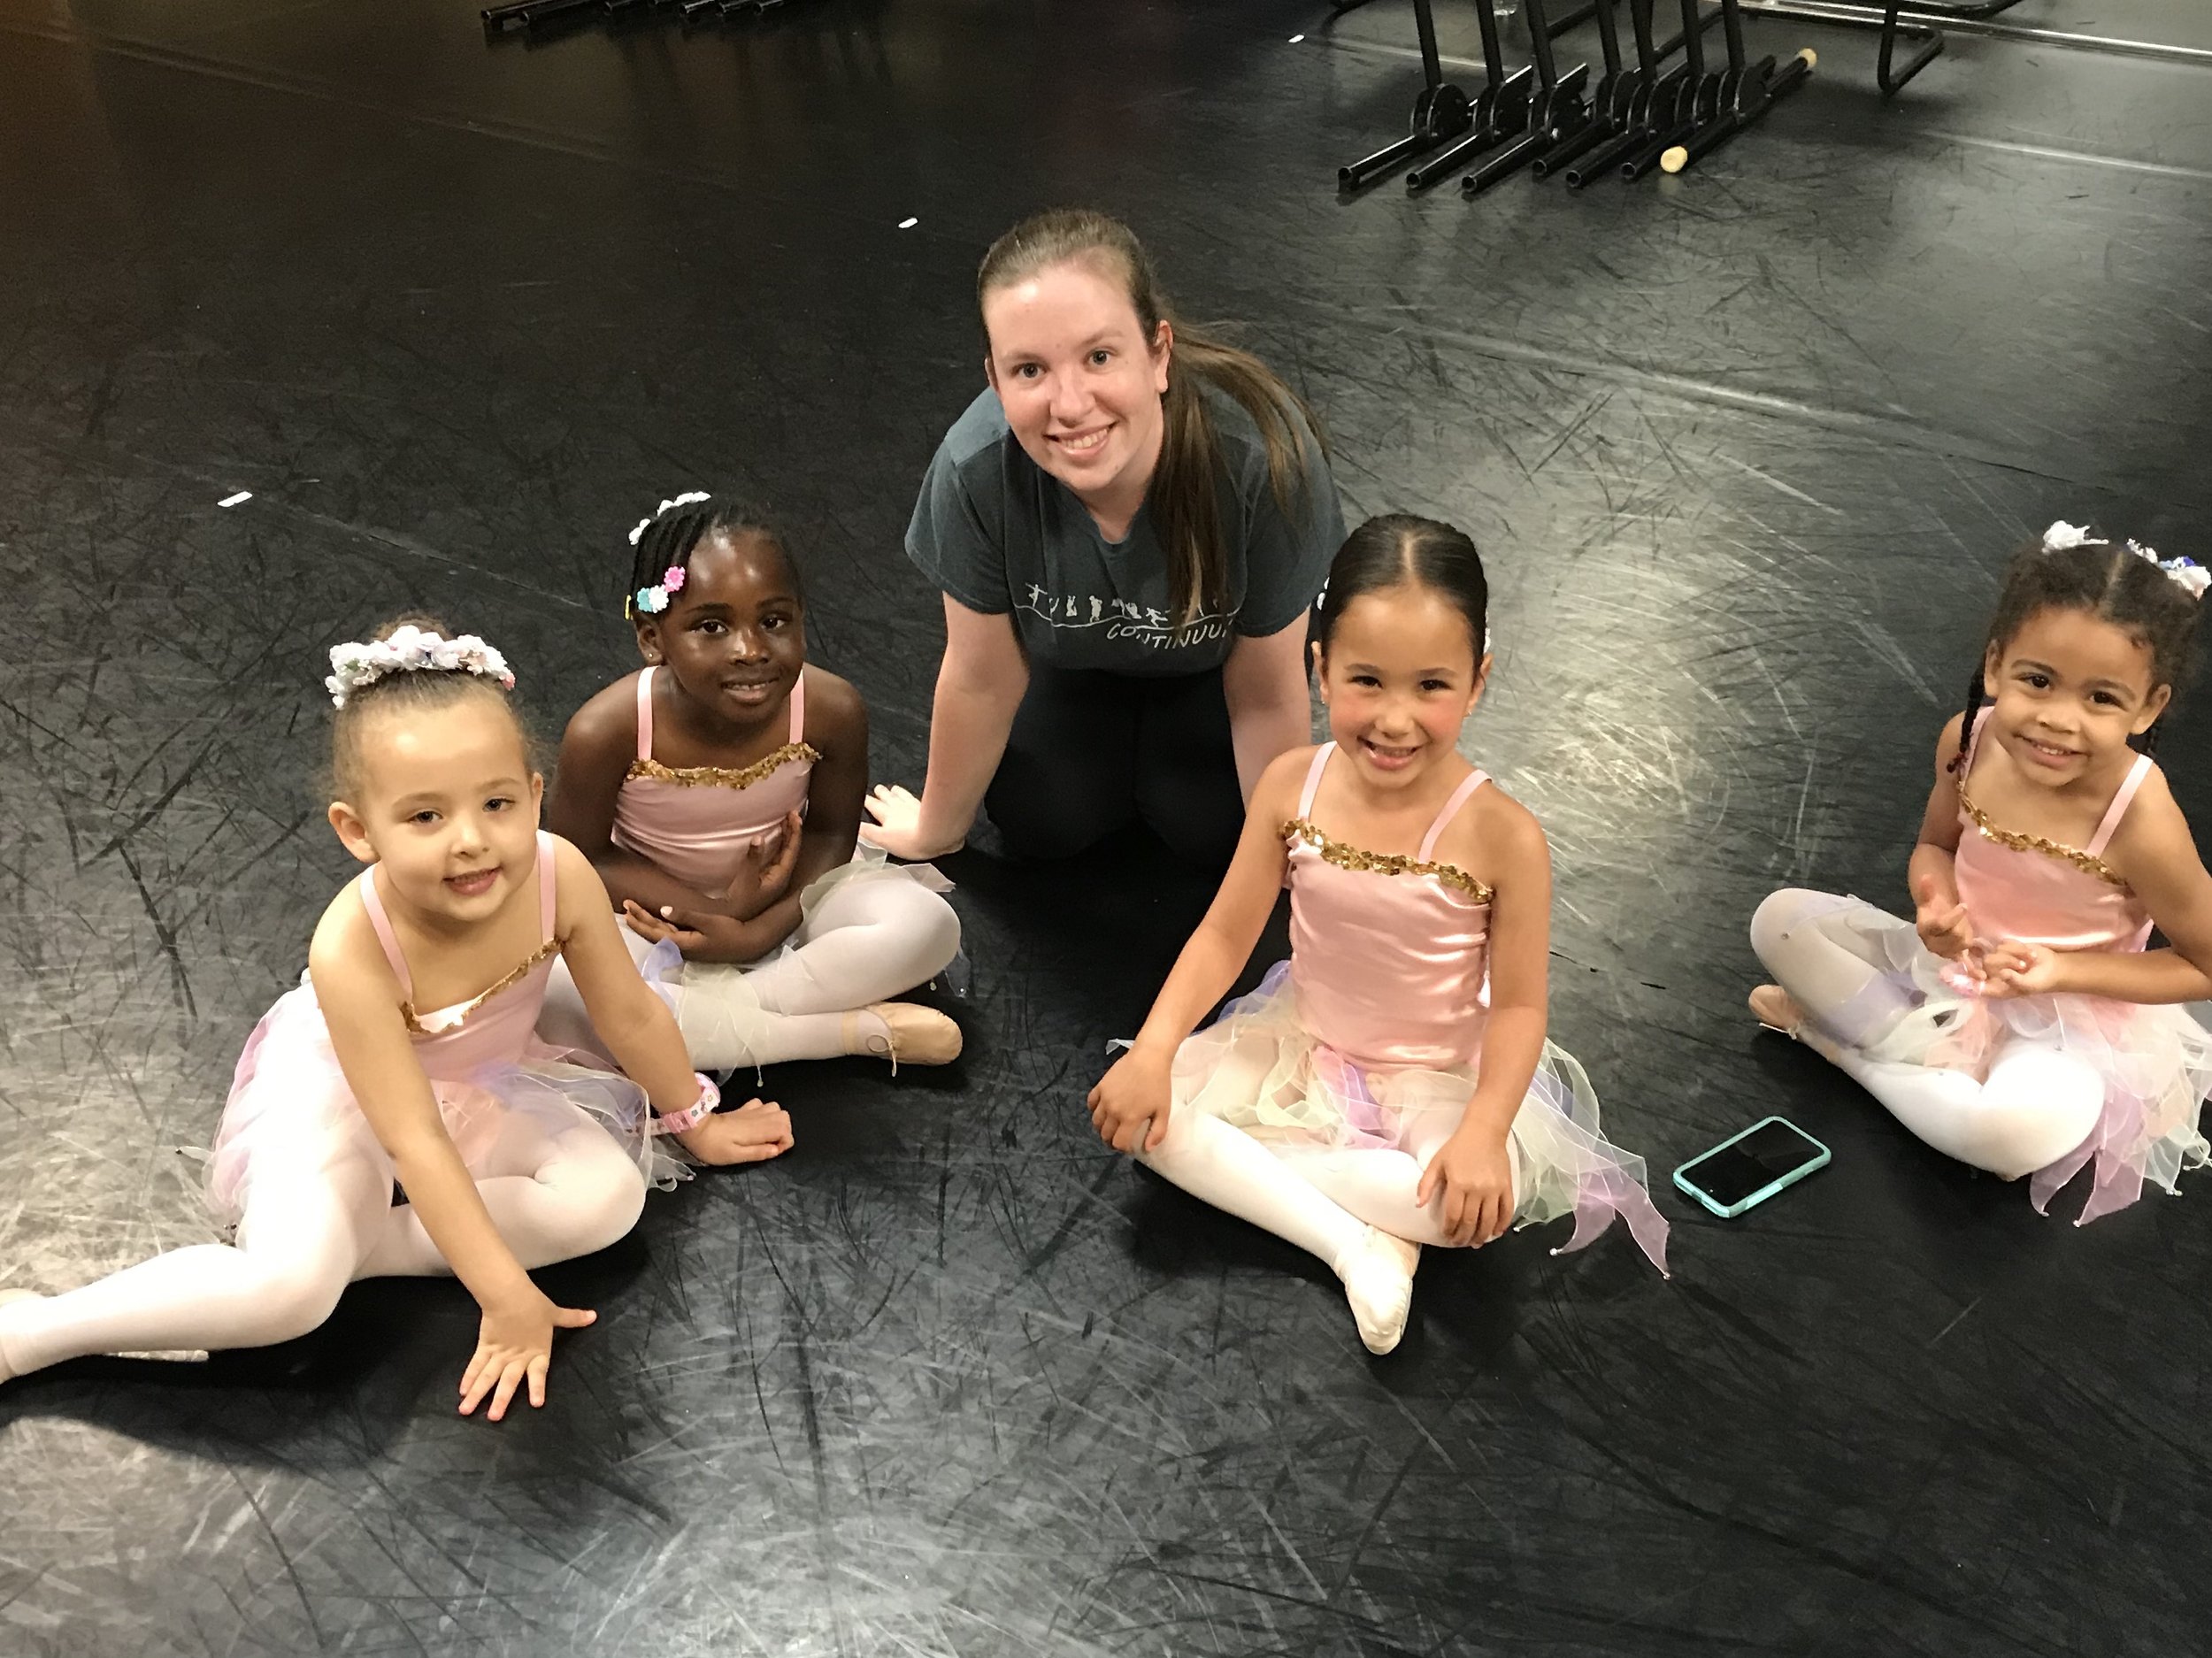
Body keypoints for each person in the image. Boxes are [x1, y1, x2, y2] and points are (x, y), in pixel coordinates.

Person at [0, 622, 791, 1416]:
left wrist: (694, 1120)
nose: (472, 842)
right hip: (352, 1105)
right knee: (288, 1302)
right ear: (357, 831)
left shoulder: (560, 872)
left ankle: (352, 1254)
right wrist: (506, 1295)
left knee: (608, 1202)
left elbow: (629, 1014)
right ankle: (36, 1329)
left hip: (485, 1083)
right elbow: (412, 1135)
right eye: (424, 818)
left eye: (497, 803)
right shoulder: (352, 947)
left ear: (535, 793)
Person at [1087, 517, 1669, 1355]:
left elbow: (1516, 1011)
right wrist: (1153, 1047)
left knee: (1469, 1207)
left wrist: (1479, 1133)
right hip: (1306, 1043)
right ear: (1320, 668)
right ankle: (1353, 1243)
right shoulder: (1295, 784)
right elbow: (1223, 934)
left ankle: (1284, 1190)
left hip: (1436, 1075)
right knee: (1143, 1118)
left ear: (1479, 682)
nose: (1395, 721)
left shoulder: (1504, 835)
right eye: (1367, 680)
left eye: (1431, 686)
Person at [1750, 523, 2212, 1223]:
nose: (2058, 720)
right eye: (2038, 681)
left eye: (2102, 699)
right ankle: (1934, 1062)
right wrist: (1934, 905)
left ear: (2149, 707)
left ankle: (1841, 1048)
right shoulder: (1968, 738)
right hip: (1953, 969)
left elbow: (2205, 966)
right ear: (1996, 665)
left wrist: (2061, 973)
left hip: (2067, 1020)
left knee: (2015, 1134)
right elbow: (1935, 846)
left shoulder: (2140, 818)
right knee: (1778, 919)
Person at [864, 208, 1347, 870]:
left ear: (1158, 354)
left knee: (1217, 830)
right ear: (995, 381)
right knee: (1041, 818)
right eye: (1029, 370)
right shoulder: (973, 469)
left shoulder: (1260, 461)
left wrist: (1283, 861)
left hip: (1214, 672)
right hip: (1076, 666)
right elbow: (980, 676)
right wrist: (936, 832)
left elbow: (1266, 692)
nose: (1069, 404)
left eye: (1099, 356)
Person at [541, 495, 964, 1072]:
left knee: (929, 926)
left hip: (788, 901)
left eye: (774, 620)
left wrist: (755, 929)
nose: (751, 650)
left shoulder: (831, 708)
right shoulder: (605, 729)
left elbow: (830, 834)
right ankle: (847, 1032)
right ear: (651, 638)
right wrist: (703, 912)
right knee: (562, 993)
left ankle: (717, 1022)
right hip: (648, 920)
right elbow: (575, 859)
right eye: (711, 626)